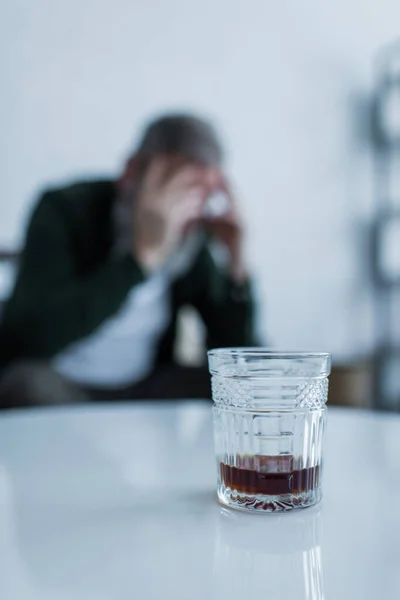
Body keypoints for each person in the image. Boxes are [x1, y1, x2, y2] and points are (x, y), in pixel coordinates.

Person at [0, 114, 256, 408]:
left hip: (144, 386)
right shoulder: (64, 210)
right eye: (175, 187)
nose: (185, 206)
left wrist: (236, 261)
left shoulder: (192, 235)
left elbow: (237, 357)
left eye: (201, 192)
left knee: (229, 386)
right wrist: (142, 257)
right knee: (26, 384)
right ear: (131, 174)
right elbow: (33, 337)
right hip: (61, 382)